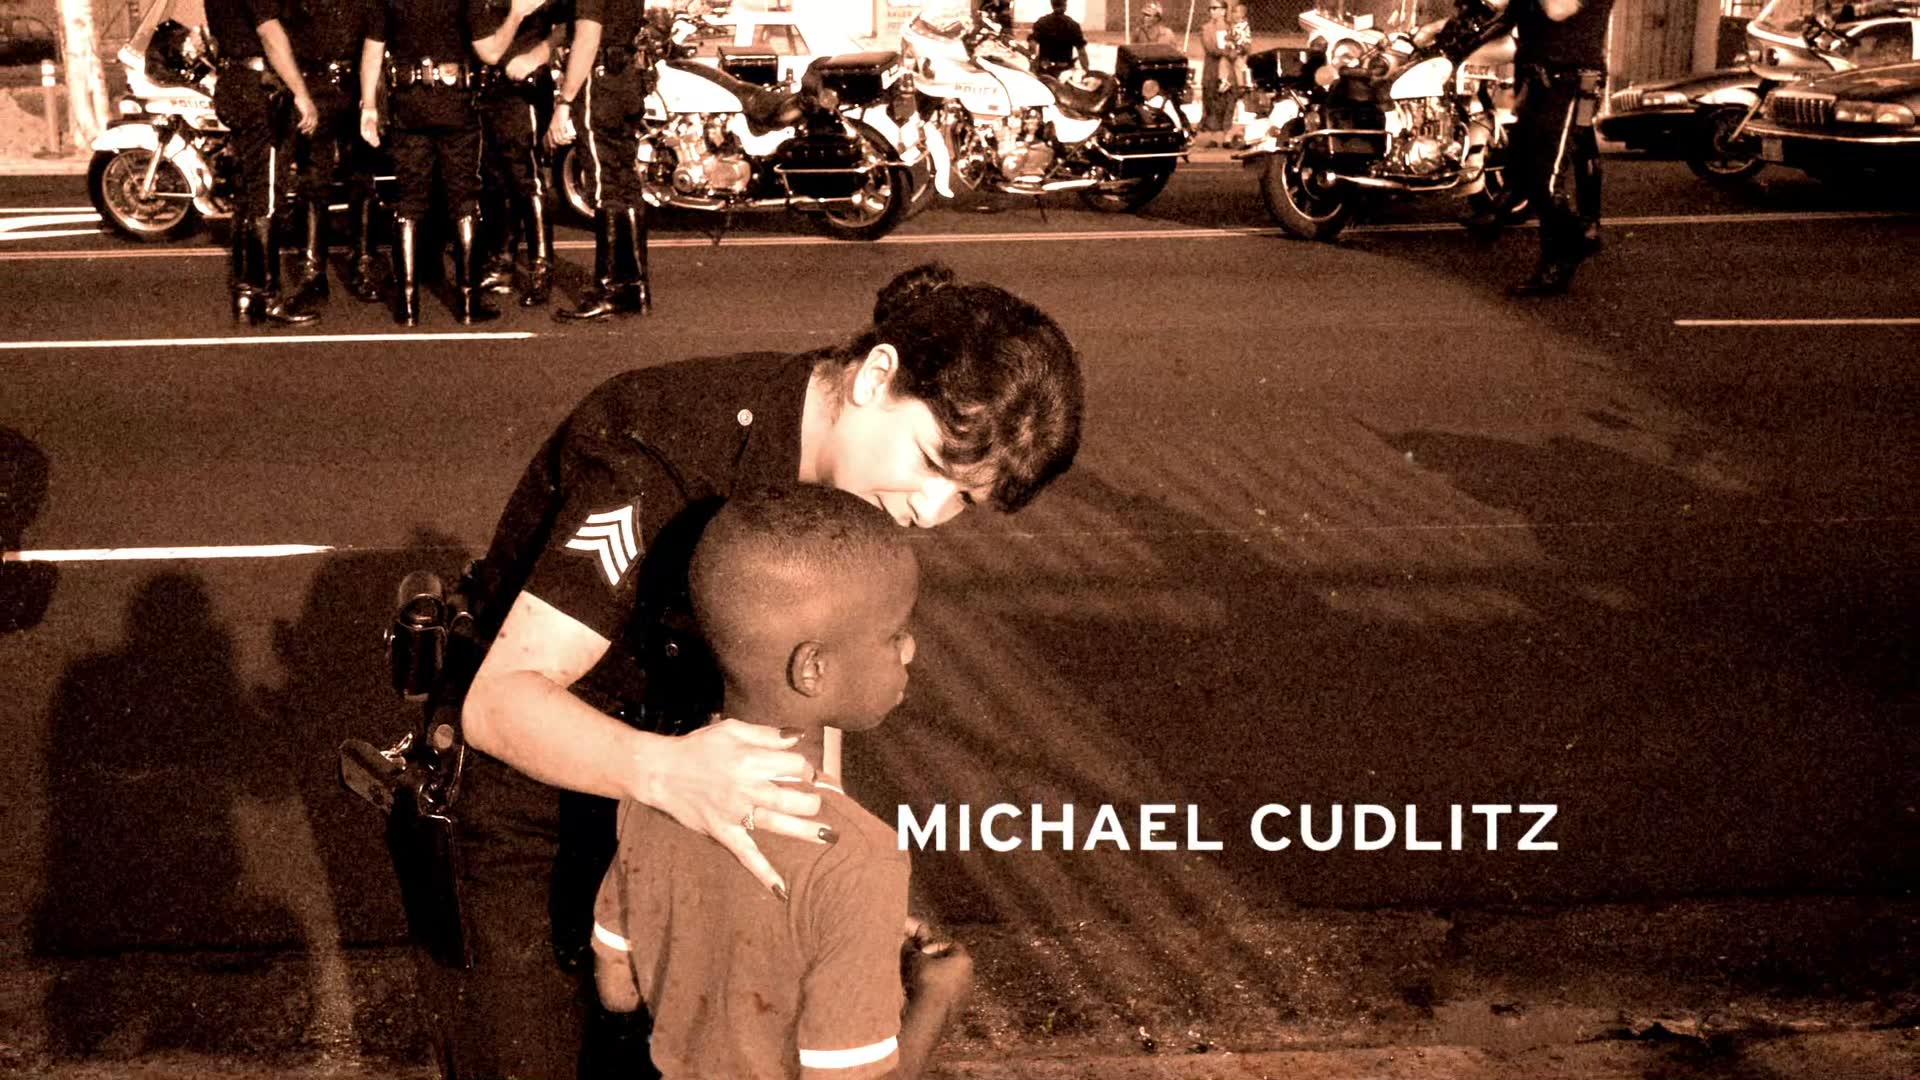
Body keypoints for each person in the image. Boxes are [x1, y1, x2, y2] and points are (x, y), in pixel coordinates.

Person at [419, 262, 1081, 1079]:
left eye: (966, 502)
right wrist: (666, 772)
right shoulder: (661, 449)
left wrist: (825, 880)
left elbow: (805, 696)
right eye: (933, 464)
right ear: (876, 376)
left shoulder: (855, 487)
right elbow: (499, 705)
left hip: (687, 805)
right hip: (536, 809)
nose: (929, 511)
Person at [591, 485, 974, 1080]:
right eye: (894, 635)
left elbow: (618, 988)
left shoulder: (654, 794)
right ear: (812, 668)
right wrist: (939, 996)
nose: (910, 649)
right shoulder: (858, 859)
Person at [359, 0, 499, 325]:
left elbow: (373, 49)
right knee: (464, 198)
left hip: (409, 104)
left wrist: (369, 106)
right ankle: (468, 300)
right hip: (455, 103)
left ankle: (407, 304)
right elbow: (487, 50)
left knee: (409, 201)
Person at [205, 0, 321, 325]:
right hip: (259, 86)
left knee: (248, 191)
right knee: (267, 193)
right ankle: (269, 295)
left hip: (233, 79)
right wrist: (301, 93)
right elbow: (270, 32)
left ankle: (245, 292)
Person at [547, 0, 652, 320]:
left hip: (601, 82)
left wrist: (565, 101)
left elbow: (588, 36)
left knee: (605, 185)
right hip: (627, 77)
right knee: (626, 183)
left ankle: (610, 289)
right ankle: (636, 287)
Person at [1503, 0, 1614, 296]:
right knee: (1527, 173)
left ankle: (1563, 256)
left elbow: (1558, 9)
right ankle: (1579, 236)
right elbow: (1504, 17)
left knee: (1546, 179)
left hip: (1570, 83)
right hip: (1539, 81)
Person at [283, 0, 384, 310]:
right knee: (313, 179)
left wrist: (370, 100)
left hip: (356, 83)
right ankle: (313, 272)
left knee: (362, 176)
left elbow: (376, 35)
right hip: (312, 84)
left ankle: (363, 261)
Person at [470, 0, 563, 308]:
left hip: (523, 89)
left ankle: (541, 267)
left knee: (525, 176)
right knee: (493, 178)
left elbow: (569, 23)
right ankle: (502, 261)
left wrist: (537, 55)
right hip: (484, 88)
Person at [1199, 1, 1235, 143]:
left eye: (1215, 8)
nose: (1212, 11)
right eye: (1210, 9)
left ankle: (1226, 135)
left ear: (1223, 11)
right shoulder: (1206, 28)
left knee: (1228, 101)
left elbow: (1240, 47)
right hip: (1212, 70)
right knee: (1212, 102)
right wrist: (1228, 51)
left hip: (1228, 71)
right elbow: (1210, 48)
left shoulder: (1231, 28)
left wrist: (1233, 51)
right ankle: (1214, 136)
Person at [1028, 0, 1089, 77]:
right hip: (1064, 70)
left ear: (1052, 5)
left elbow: (1032, 44)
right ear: (1065, 5)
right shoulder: (1073, 25)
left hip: (1044, 68)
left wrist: (1033, 61)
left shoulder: (1041, 22)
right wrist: (1086, 71)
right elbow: (1081, 52)